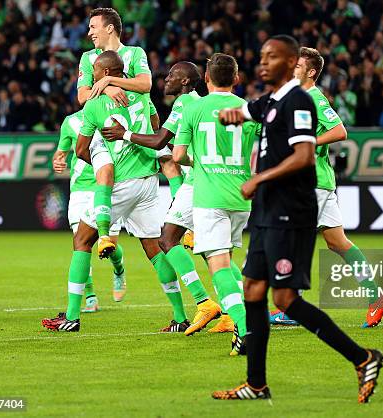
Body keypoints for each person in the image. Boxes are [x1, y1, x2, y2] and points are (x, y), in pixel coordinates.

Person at [211, 35, 383, 403]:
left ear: (292, 64)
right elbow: (253, 110)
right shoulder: (273, 101)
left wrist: (259, 177)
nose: (262, 63)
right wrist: (232, 113)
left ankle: (363, 357)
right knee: (253, 290)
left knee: (286, 298)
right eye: (261, 56)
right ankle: (255, 385)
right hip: (267, 210)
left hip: (292, 208)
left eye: (272, 57)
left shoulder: (302, 101)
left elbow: (305, 154)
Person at [41, 51, 183, 332]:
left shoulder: (94, 105)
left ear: (105, 73)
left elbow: (81, 149)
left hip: (120, 182)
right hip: (148, 182)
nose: (92, 76)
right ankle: (180, 316)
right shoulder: (144, 98)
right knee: (154, 249)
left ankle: (71, 317)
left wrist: (102, 161)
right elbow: (155, 130)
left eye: (95, 71)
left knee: (82, 240)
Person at [270, 46, 383, 328]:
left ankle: (292, 308)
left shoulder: (314, 97)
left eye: (298, 65)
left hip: (311, 185)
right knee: (338, 242)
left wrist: (307, 142)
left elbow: (339, 131)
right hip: (318, 183)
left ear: (311, 72)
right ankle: (376, 296)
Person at [102, 62, 224, 334]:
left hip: (197, 184)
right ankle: (230, 310)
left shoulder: (183, 105)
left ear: (185, 82)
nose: (165, 79)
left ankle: (204, 302)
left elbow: (159, 141)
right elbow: (171, 146)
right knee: (214, 250)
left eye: (172, 76)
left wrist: (126, 135)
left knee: (167, 240)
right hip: (212, 181)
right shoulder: (200, 103)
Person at [76, 7, 182, 262]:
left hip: (135, 129)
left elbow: (145, 85)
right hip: (106, 132)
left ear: (109, 28)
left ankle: (183, 215)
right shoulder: (88, 58)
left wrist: (109, 82)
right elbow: (82, 97)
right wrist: (106, 89)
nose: (90, 32)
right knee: (105, 168)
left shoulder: (134, 53)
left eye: (93, 27)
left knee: (168, 158)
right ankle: (105, 236)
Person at [173, 53, 261, 353]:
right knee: (226, 261)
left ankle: (244, 326)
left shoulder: (194, 109)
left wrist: (198, 161)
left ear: (207, 78)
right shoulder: (249, 110)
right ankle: (247, 318)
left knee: (219, 266)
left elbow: (177, 156)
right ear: (237, 79)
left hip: (209, 198)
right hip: (240, 197)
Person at [52, 110, 126, 311]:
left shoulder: (115, 116)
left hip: (108, 185)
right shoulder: (70, 122)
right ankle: (91, 296)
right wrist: (57, 161)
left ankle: (119, 269)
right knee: (81, 243)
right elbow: (61, 153)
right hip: (81, 189)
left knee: (110, 245)